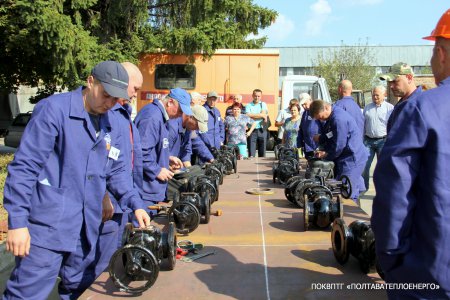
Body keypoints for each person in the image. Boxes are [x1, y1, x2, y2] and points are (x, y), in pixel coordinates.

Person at [2, 61, 150, 300]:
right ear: (91, 82)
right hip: (47, 229)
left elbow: (117, 170)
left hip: (87, 228)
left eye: (116, 99)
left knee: (79, 290)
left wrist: (136, 203)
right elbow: (24, 168)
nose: (110, 103)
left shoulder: (109, 121)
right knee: (27, 294)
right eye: (106, 95)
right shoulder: (54, 110)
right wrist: (17, 223)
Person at [371, 9, 450, 299]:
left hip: (430, 270)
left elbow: (395, 194)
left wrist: (393, 259)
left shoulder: (423, 109)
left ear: (440, 53)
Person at [93, 62, 145, 279]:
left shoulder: (122, 113)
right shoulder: (107, 113)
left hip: (121, 200)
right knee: (96, 271)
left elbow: (118, 166)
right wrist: (104, 194)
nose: (135, 95)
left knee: (112, 263)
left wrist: (136, 203)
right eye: (135, 89)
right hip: (105, 207)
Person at [134, 88, 192, 215]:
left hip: (151, 189)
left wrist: (167, 159)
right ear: (170, 102)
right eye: (180, 110)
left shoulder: (161, 117)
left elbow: (153, 148)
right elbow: (140, 152)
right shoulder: (152, 117)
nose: (180, 115)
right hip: (144, 190)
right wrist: (157, 170)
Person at [310, 100, 367, 204]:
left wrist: (326, 155)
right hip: (346, 155)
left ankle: (350, 215)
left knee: (348, 191)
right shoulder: (332, 116)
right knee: (350, 186)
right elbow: (331, 134)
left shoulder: (338, 119)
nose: (321, 120)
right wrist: (322, 140)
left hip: (352, 157)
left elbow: (339, 145)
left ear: (326, 108)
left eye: (320, 117)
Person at [361, 85, 393, 191]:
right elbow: (363, 124)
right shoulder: (367, 107)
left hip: (383, 141)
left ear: (384, 95)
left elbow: (392, 125)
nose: (375, 97)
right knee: (364, 165)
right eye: (373, 95)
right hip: (368, 141)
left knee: (382, 167)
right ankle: (364, 188)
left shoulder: (390, 108)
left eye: (377, 95)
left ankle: (383, 189)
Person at [379, 62, 422, 133]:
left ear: (409, 78)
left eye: (395, 81)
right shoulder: (402, 104)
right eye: (390, 82)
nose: (391, 86)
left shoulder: (420, 105)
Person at [246, 88, 269, 157]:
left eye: (259, 96)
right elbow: (248, 115)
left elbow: (264, 114)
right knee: (251, 152)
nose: (257, 97)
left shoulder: (263, 104)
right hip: (252, 130)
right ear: (252, 96)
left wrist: (252, 115)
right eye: (255, 96)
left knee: (262, 152)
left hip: (262, 130)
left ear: (261, 96)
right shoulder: (248, 105)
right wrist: (260, 115)